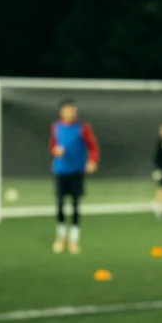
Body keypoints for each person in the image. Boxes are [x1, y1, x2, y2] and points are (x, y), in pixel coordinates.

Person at [50, 100, 99, 254]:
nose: (72, 112)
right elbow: (52, 145)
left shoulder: (83, 128)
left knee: (76, 205)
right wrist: (55, 150)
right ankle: (60, 237)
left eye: (73, 110)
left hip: (77, 172)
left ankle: (74, 239)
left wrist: (92, 161)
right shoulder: (55, 127)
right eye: (68, 110)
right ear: (62, 112)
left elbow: (93, 146)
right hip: (60, 171)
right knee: (59, 205)